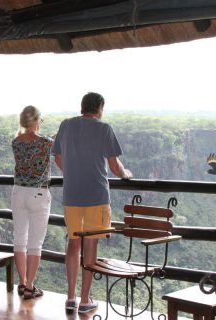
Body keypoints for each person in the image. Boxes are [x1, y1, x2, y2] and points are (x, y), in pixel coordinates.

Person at [51, 92, 133, 314]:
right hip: (96, 195)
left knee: (73, 243)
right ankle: (85, 299)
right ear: (100, 107)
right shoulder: (104, 128)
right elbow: (115, 166)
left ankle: (70, 297)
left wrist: (72, 172)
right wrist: (126, 174)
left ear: (82, 107)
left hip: (72, 194)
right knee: (90, 246)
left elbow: (57, 156)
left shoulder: (66, 125)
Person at [11, 106, 52, 300]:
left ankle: (21, 282)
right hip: (38, 193)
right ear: (36, 121)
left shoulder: (15, 142)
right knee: (35, 244)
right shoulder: (45, 143)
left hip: (18, 192)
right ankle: (30, 287)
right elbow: (56, 145)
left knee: (20, 241)